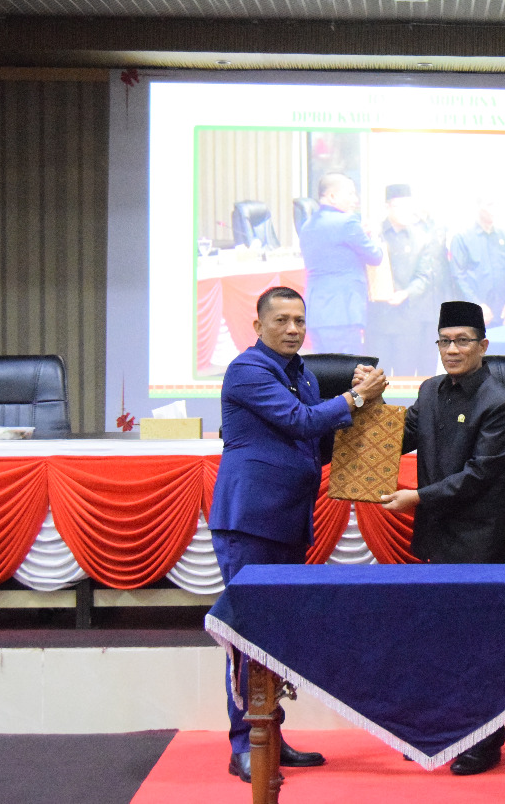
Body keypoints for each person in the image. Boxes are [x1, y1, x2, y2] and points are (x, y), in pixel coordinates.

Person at [209, 285, 388, 783]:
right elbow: (299, 421)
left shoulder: (302, 374)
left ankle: (270, 735)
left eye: (300, 321)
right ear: (258, 325)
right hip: (249, 522)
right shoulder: (247, 369)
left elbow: (318, 442)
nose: (293, 329)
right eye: (282, 320)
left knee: (274, 636)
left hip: (287, 521)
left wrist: (367, 418)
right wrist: (356, 397)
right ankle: (244, 745)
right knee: (247, 635)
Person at [382, 300, 505, 776]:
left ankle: (486, 740)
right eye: (445, 341)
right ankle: (441, 731)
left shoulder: (499, 401)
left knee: (477, 645)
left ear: (483, 345)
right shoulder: (430, 390)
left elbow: (480, 475)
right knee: (437, 640)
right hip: (436, 534)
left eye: (463, 341)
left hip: (477, 538)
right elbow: (398, 438)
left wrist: (417, 497)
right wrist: (364, 404)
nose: (452, 350)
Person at [298, 173, 383, 354]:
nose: (355, 199)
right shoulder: (347, 222)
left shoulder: (306, 225)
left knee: (324, 367)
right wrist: (373, 235)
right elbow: (375, 256)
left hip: (316, 312)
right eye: (350, 193)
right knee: (347, 368)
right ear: (332, 196)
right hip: (342, 311)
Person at [366, 183, 443, 376]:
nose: (406, 212)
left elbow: (424, 276)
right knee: (376, 377)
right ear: (388, 207)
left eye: (409, 207)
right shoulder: (373, 235)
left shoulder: (421, 238)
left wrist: (406, 293)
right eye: (400, 206)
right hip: (378, 319)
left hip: (408, 318)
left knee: (405, 376)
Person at [450, 194, 505, 328]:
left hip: (504, 315)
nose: (494, 209)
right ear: (478, 207)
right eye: (489, 205)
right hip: (475, 317)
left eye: (496, 205)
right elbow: (458, 278)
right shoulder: (462, 238)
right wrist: (477, 305)